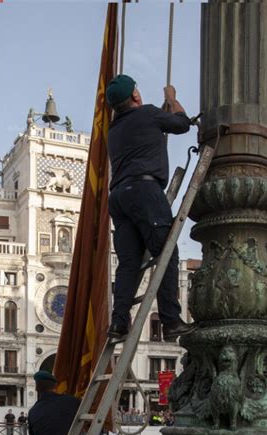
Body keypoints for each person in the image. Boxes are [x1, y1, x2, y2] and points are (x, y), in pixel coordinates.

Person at [105, 74, 195, 342]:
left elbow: (146, 128)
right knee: (166, 252)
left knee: (129, 264)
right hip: (144, 191)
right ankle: (170, 321)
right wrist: (171, 99)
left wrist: (159, 112)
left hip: (119, 197)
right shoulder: (147, 115)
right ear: (135, 95)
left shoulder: (114, 130)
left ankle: (119, 323)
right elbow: (182, 124)